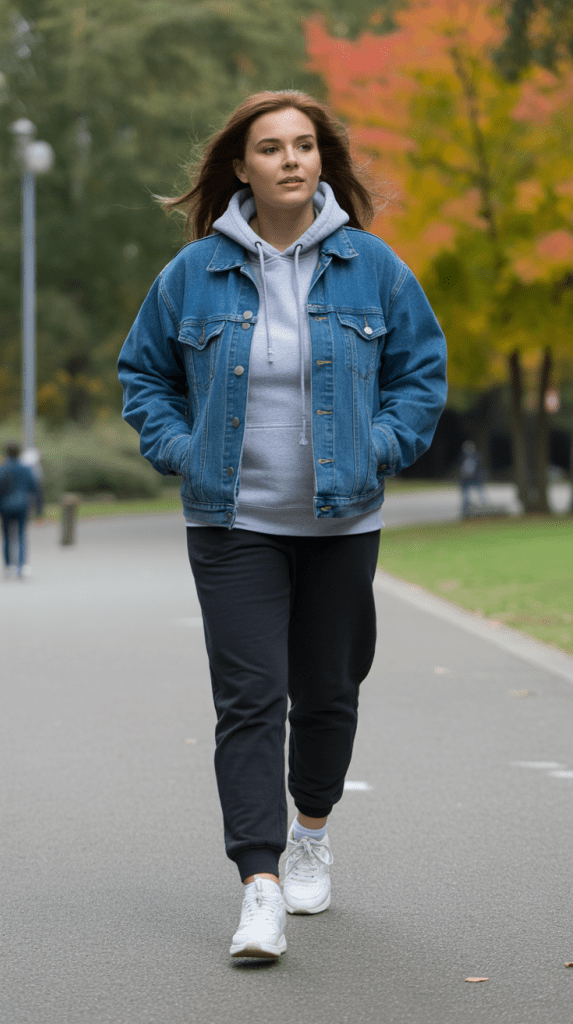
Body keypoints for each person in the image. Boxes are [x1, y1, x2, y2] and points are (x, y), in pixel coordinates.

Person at [118, 90, 447, 960]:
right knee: (250, 698)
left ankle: (311, 831)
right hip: (233, 521)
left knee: (329, 691)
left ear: (321, 161)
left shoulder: (374, 267)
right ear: (241, 166)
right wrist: (183, 450)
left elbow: (421, 376)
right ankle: (258, 884)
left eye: (304, 145)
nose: (291, 159)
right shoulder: (191, 274)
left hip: (343, 521)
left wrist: (378, 448)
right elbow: (144, 376)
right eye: (271, 148)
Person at [0, 441, 44, 578]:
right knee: (21, 535)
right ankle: (22, 565)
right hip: (22, 505)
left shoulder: (2, 469)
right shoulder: (25, 468)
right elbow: (35, 487)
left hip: (5, 506)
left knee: (7, 536)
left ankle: (8, 566)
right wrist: (39, 508)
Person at [459, 439, 487, 517]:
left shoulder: (477, 457)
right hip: (466, 480)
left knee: (482, 496)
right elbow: (461, 470)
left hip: (476, 479)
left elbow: (481, 469)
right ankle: (465, 513)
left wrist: (481, 478)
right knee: (465, 498)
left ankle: (487, 511)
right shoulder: (462, 457)